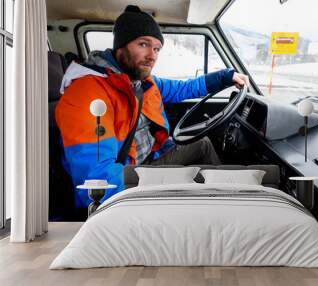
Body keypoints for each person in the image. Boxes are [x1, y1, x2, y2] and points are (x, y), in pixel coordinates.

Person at [56, 5, 250, 209]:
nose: (152, 55)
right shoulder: (87, 95)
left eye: (156, 48)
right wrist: (154, 197)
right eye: (143, 44)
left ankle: (223, 202)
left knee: (202, 145)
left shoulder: (141, 82)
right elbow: (97, 183)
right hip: (131, 181)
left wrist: (226, 77)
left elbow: (184, 88)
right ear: (120, 46)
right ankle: (224, 208)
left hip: (152, 159)